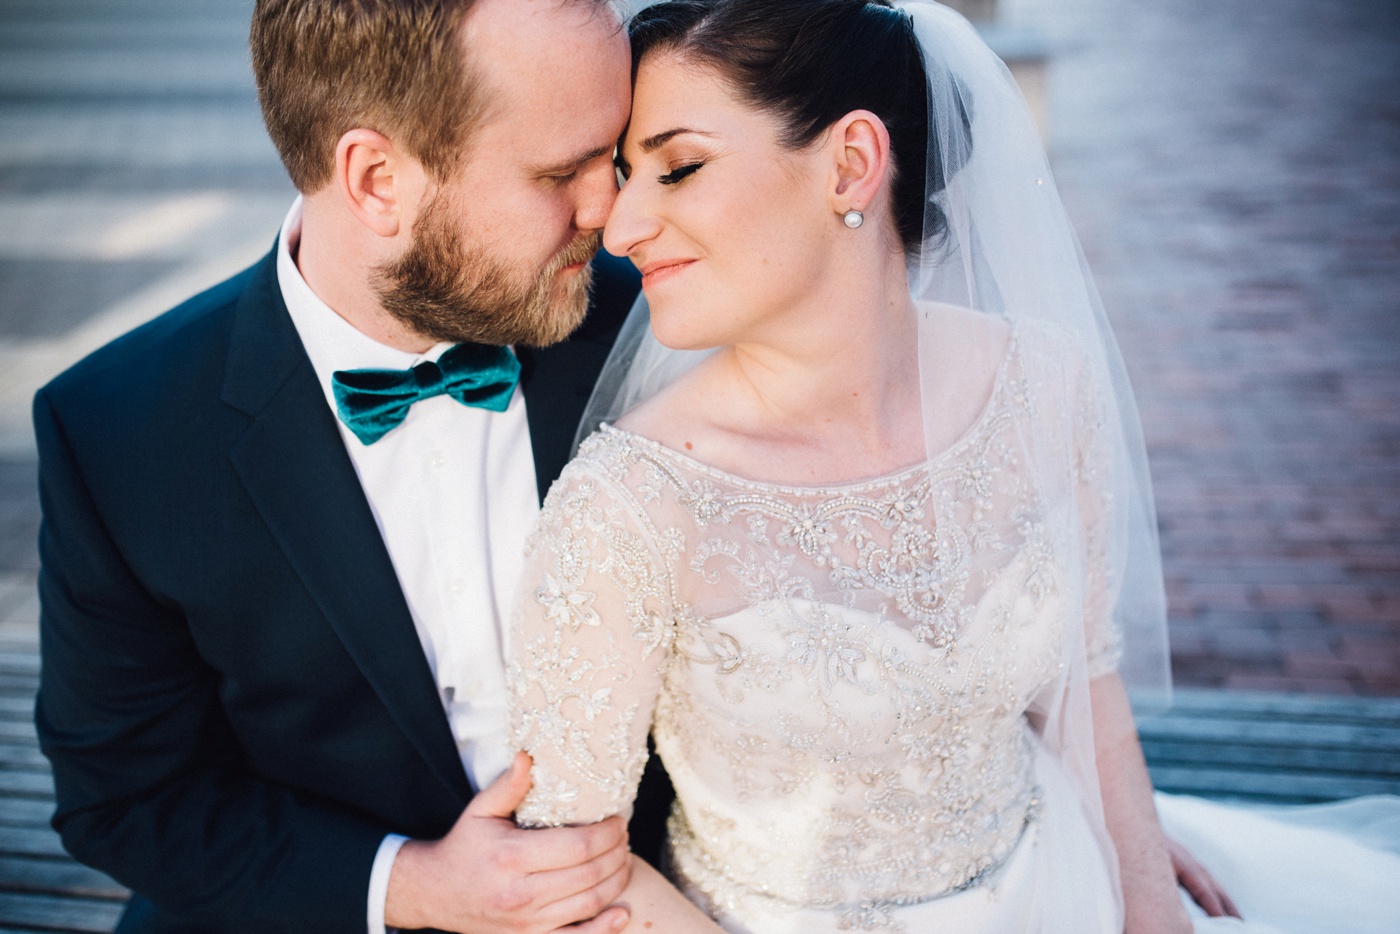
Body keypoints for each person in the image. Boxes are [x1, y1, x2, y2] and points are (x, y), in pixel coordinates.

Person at [504, 1, 1400, 932]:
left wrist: (1141, 891)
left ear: (851, 163)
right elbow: (580, 873)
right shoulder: (629, 510)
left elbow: (1082, 683)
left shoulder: (1045, 385)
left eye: (680, 168)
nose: (622, 227)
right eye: (626, 176)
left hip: (1060, 885)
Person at [32, 1, 666, 931]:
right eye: (559, 171)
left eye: (612, 157)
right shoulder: (121, 431)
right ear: (376, 180)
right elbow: (125, 800)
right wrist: (406, 884)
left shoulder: (665, 323)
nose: (613, 213)